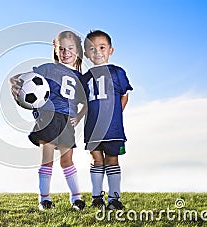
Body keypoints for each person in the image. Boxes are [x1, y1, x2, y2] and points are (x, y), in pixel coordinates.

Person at [10, 31, 86, 211]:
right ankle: (44, 199)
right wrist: (11, 81)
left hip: (67, 121)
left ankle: (76, 198)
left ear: (77, 50)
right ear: (54, 47)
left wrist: (79, 116)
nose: (65, 52)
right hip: (48, 117)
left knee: (67, 160)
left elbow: (86, 104)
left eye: (70, 48)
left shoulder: (80, 78)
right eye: (61, 48)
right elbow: (20, 78)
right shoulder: (48, 68)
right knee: (47, 160)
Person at [81, 30, 133, 210]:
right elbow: (83, 103)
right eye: (92, 49)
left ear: (110, 50)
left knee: (112, 160)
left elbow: (124, 96)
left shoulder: (118, 72)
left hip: (113, 128)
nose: (97, 52)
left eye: (102, 47)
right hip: (92, 128)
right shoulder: (85, 77)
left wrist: (115, 114)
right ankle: (97, 198)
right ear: (86, 53)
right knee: (96, 160)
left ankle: (114, 199)